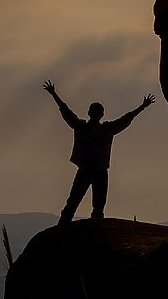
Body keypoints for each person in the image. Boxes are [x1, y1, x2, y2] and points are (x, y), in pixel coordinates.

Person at [43, 79, 155, 225]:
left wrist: (54, 94)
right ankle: (93, 231)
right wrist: (142, 107)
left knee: (75, 203)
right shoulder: (107, 129)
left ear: (89, 112)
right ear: (102, 114)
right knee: (96, 206)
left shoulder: (82, 127)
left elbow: (66, 111)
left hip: (87, 171)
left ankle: (62, 229)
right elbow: (127, 118)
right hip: (98, 171)